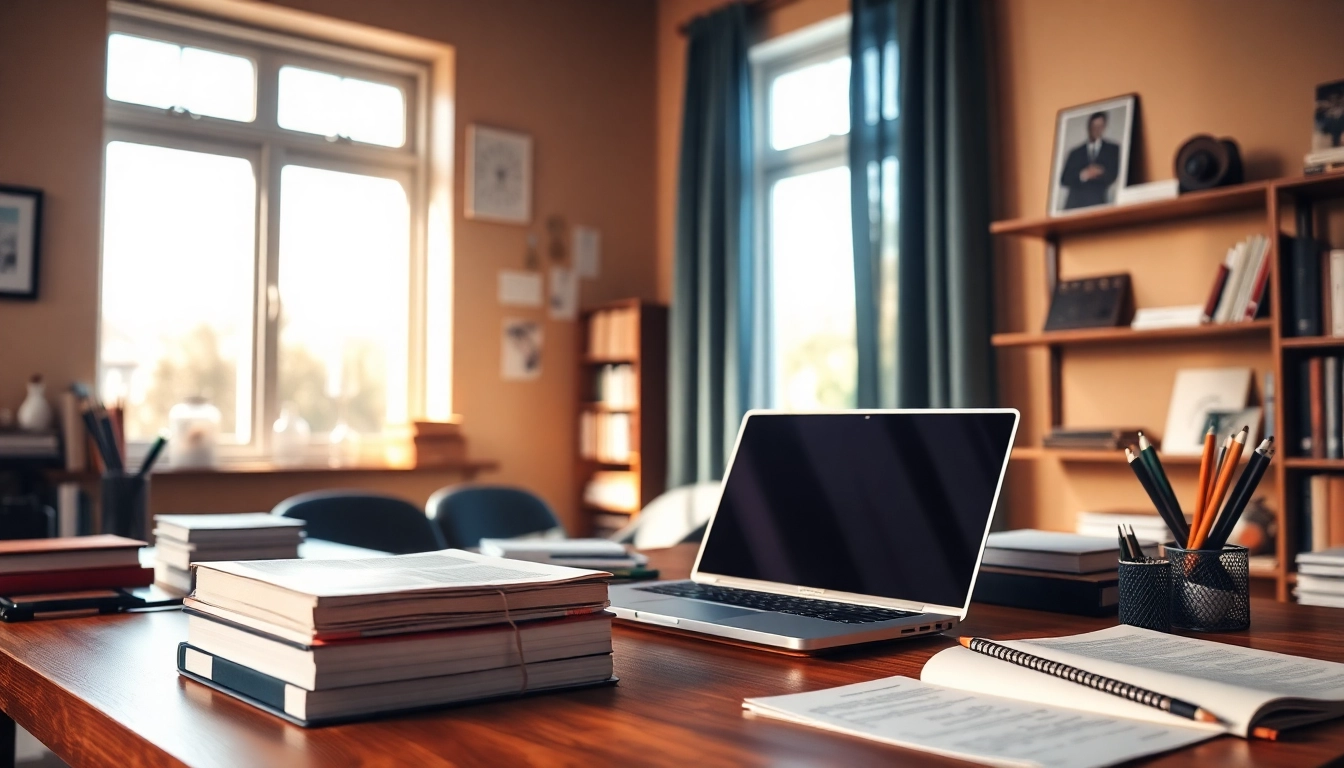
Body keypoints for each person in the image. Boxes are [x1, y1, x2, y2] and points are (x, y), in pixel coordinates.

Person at [1059, 111, 1120, 210]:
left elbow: (1113, 175)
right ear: (1089, 127)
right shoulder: (1075, 152)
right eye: (1094, 126)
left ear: (1104, 127)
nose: (1096, 130)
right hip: (1074, 205)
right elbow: (1064, 179)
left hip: (1097, 203)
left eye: (1100, 126)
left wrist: (1100, 172)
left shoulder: (1113, 149)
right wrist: (1083, 175)